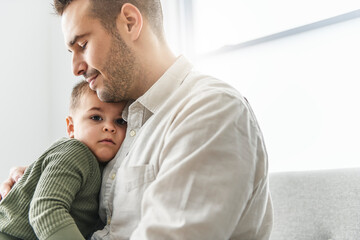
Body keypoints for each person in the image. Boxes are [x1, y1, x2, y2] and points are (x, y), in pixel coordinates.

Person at [1, 0, 273, 239]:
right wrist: (38, 181)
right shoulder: (123, 124)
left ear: (129, 23)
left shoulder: (210, 110)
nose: (75, 68)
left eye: (82, 45)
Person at [0, 81, 127, 240]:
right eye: (96, 117)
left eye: (120, 121)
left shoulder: (105, 168)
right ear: (71, 127)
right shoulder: (75, 152)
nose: (109, 127)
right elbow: (46, 210)